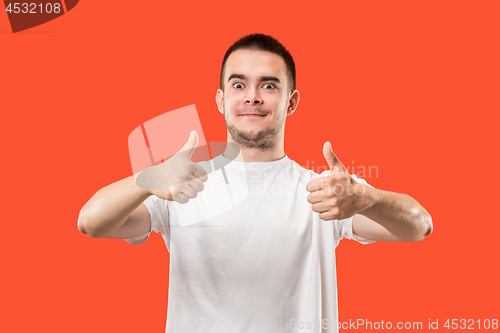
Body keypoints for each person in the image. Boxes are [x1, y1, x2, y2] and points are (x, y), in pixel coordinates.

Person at [78, 33, 432, 332]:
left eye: (268, 85)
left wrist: (368, 199)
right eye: (238, 84)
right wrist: (146, 180)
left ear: (291, 102)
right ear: (220, 100)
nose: (252, 97)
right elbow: (90, 222)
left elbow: (420, 226)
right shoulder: (180, 184)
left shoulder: (324, 193)